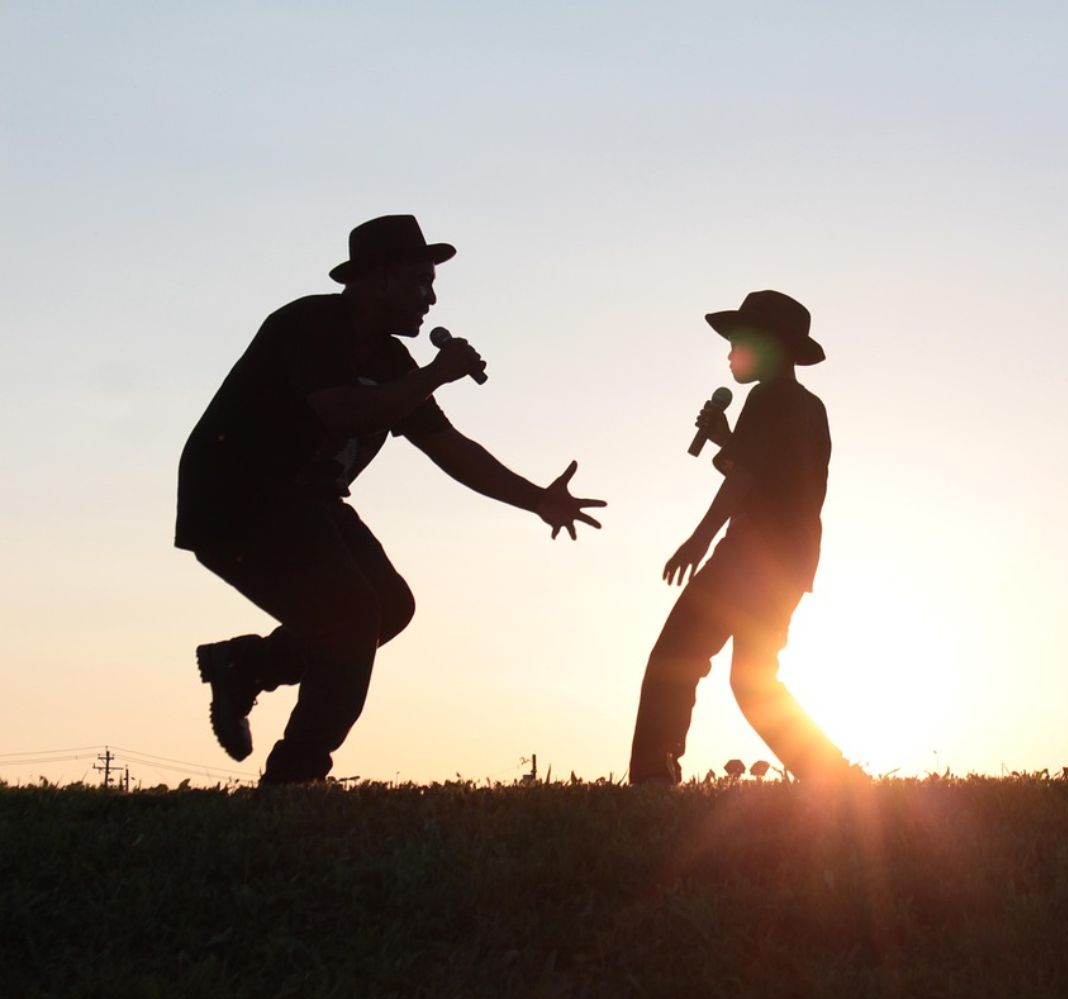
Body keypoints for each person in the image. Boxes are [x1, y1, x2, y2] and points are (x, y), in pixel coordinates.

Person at [176, 215, 605, 784]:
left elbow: (449, 448)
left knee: (389, 608)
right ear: (376, 279)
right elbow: (344, 411)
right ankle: (294, 779)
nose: (430, 298)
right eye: (419, 281)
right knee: (351, 616)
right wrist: (435, 374)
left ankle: (246, 665)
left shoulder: (391, 362)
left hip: (309, 503)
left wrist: (538, 500)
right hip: (238, 501)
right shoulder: (311, 323)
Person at [629, 290, 856, 785]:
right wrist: (724, 438)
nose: (730, 352)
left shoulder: (769, 398)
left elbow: (745, 479)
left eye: (739, 341)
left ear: (770, 346)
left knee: (674, 658)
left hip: (749, 560)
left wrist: (699, 540)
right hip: (790, 564)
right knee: (753, 681)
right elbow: (768, 474)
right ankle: (832, 775)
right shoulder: (805, 406)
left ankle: (652, 777)